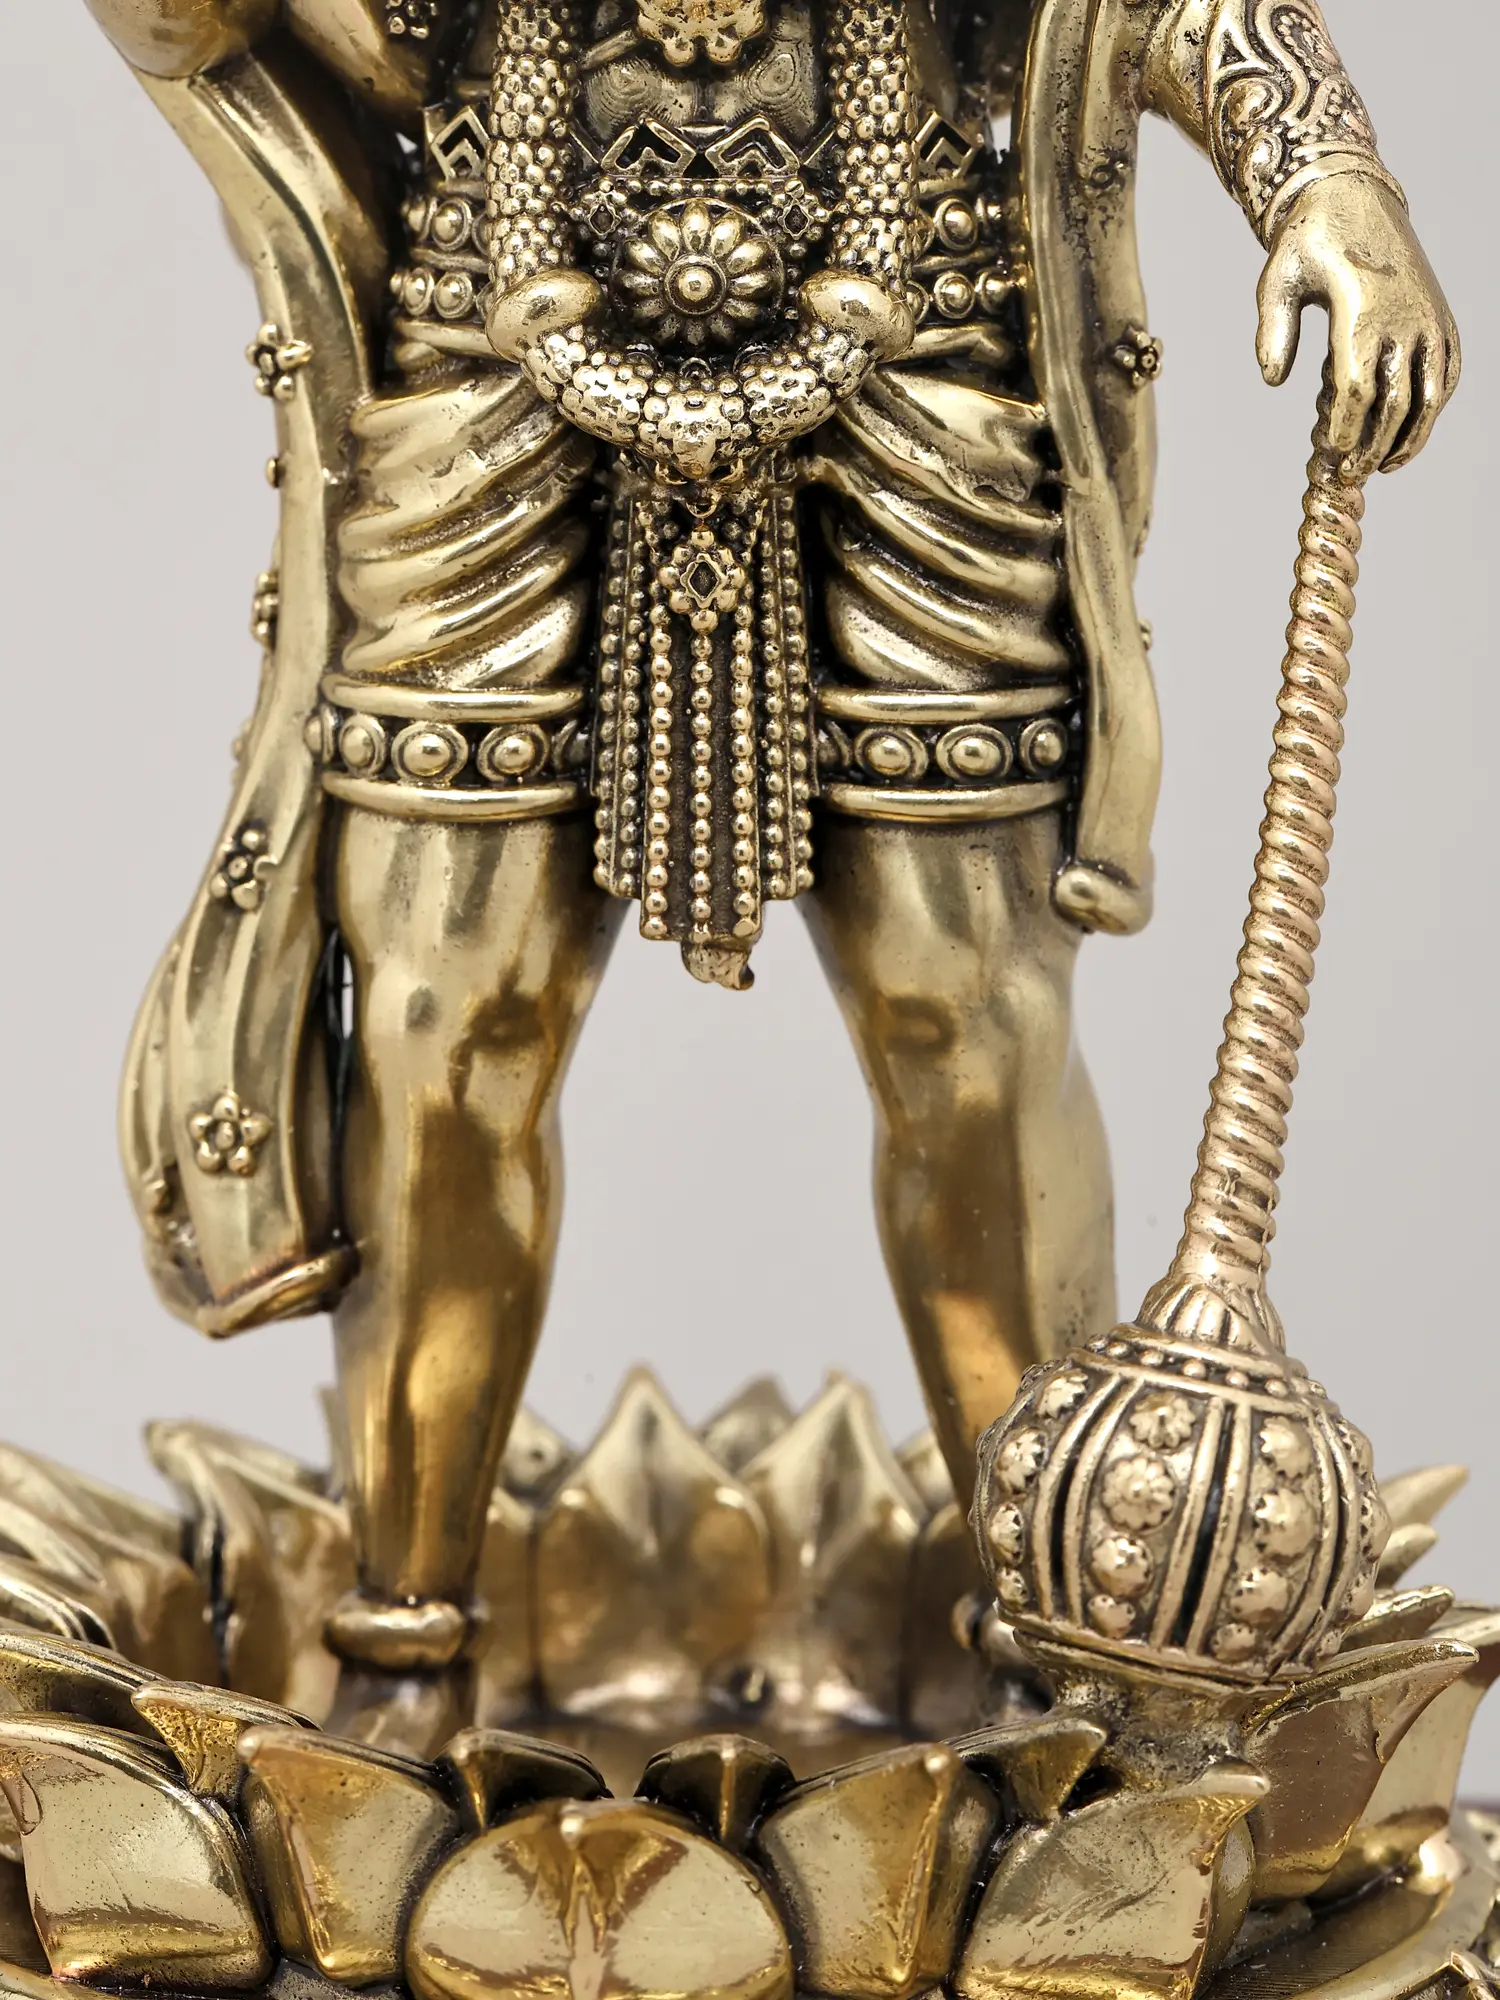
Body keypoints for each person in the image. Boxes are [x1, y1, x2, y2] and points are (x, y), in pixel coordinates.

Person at [95, 0, 1457, 1691]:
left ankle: (1063, 1649)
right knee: (448, 1027)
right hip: (498, 340)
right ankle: (398, 1643)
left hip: (911, 351)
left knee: (969, 1024)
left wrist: (1323, 174)